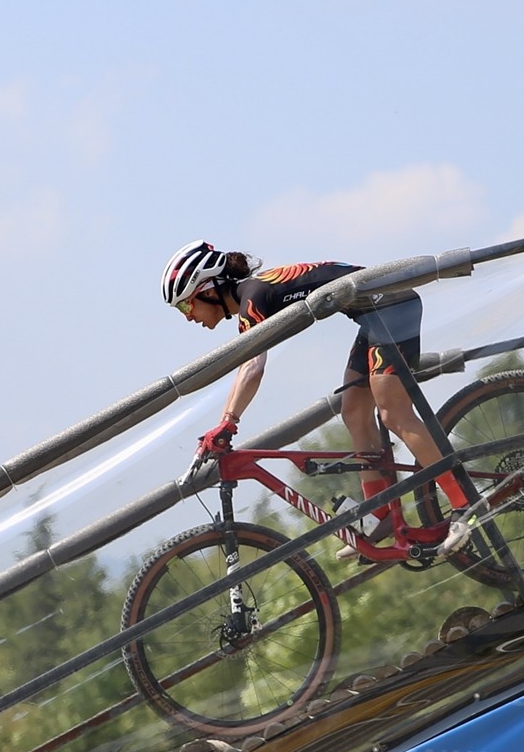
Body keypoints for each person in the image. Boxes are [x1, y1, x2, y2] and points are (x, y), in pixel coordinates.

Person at [161, 239, 474, 559]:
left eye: (186, 305)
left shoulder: (252, 299)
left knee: (393, 413)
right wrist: (225, 421)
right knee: (353, 412)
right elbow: (248, 364)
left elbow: (253, 367)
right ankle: (380, 515)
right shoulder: (250, 299)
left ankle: (465, 503)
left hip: (393, 307)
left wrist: (228, 422)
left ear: (209, 289)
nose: (188, 317)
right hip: (375, 315)